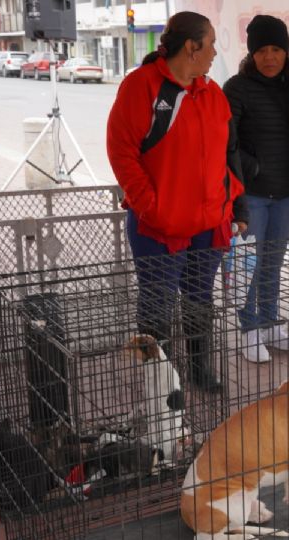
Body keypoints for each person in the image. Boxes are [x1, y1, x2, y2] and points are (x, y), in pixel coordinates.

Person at [106, 11, 248, 392]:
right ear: (191, 47)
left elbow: (227, 153)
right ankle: (161, 382)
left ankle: (199, 369)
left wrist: (236, 206)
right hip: (158, 226)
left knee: (200, 301)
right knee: (157, 304)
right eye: (212, 44)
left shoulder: (212, 92)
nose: (215, 52)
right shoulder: (141, 87)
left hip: (208, 222)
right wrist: (150, 205)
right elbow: (122, 153)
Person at [223, 15, 289, 363]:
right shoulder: (236, 87)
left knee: (274, 262)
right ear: (251, 54)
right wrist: (255, 168)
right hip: (252, 194)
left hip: (288, 192)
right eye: (262, 50)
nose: (269, 57)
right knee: (249, 262)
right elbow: (226, 142)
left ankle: (269, 323)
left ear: (286, 51)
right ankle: (248, 329)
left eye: (276, 49)